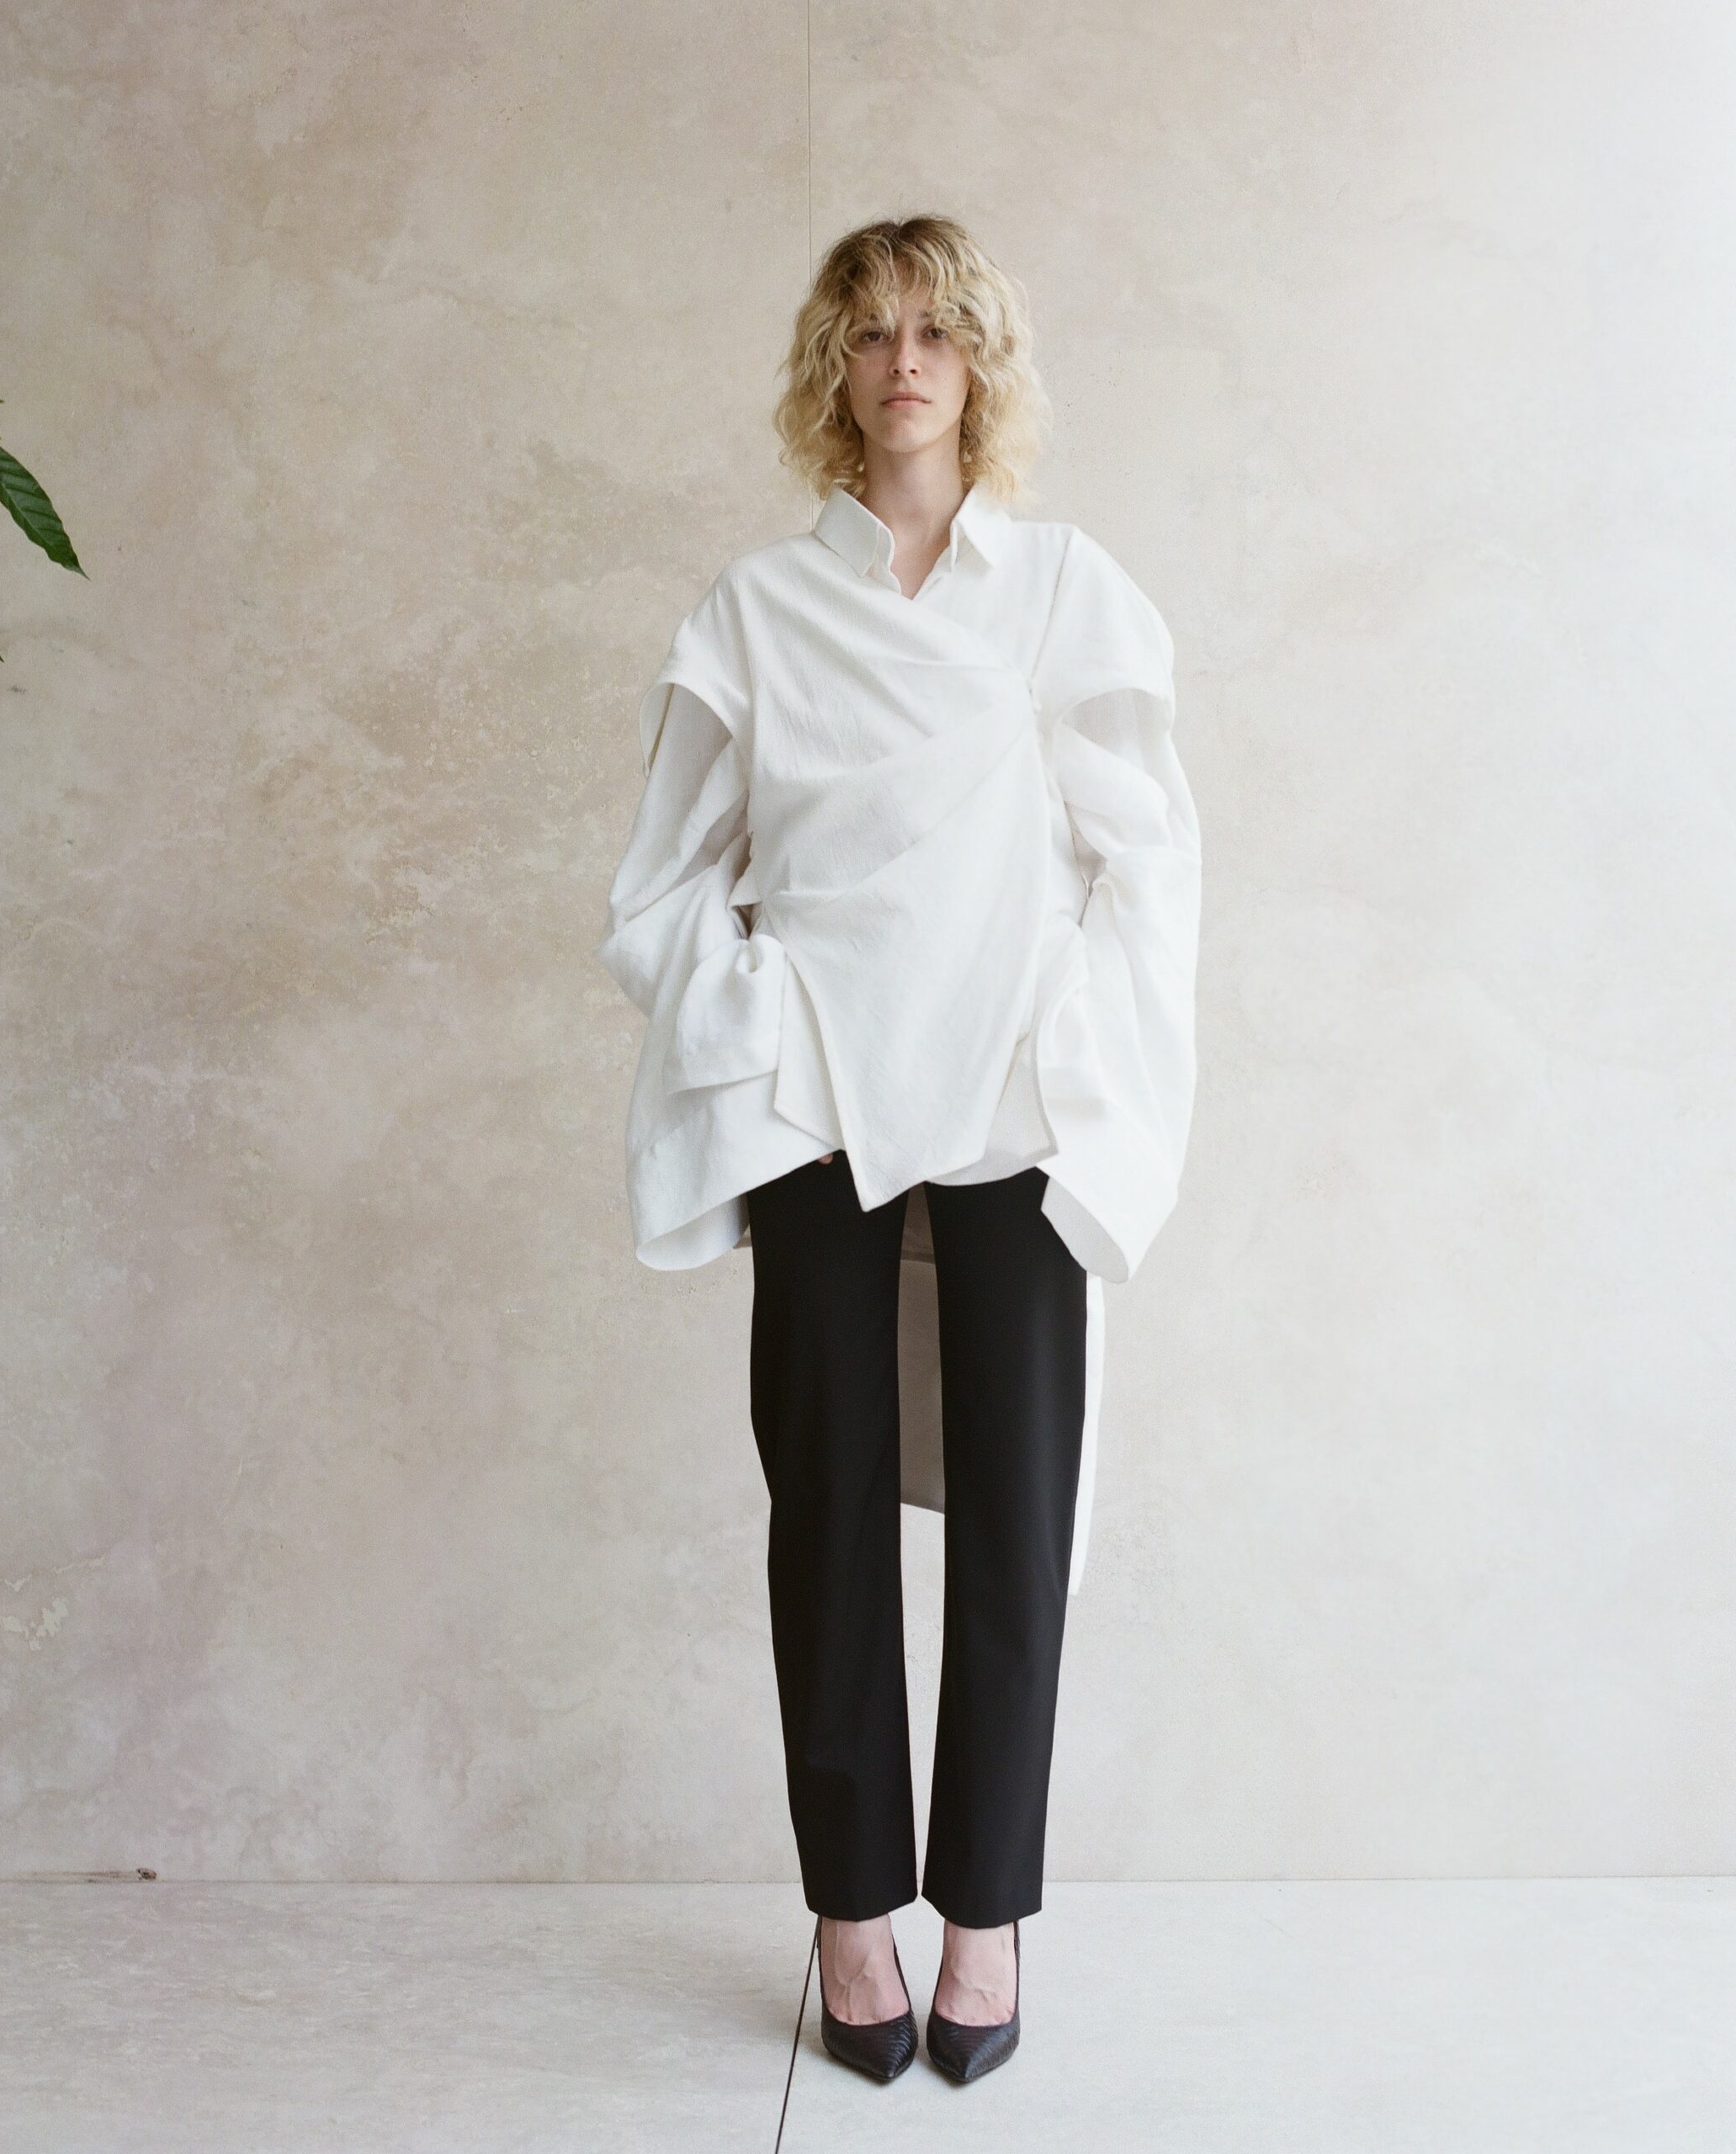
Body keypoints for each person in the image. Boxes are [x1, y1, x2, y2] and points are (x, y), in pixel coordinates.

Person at [595, 214, 1202, 2087]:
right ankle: (853, 1909)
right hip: (821, 1103)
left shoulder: (1063, 590)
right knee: (832, 1504)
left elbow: (1147, 860)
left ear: (981, 362)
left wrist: (1081, 1043)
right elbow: (659, 886)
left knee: (1019, 1512)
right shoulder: (757, 613)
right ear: (833, 370)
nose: (906, 359)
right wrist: (757, 1018)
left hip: (1011, 1096)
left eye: (938, 328)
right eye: (871, 331)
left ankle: (987, 1911)